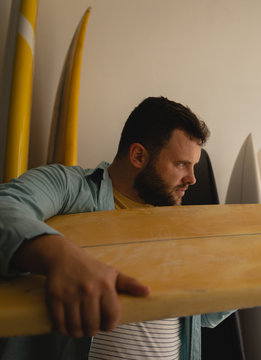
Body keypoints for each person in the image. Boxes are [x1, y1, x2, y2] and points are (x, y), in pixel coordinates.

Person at [0, 96, 234, 360]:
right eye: (182, 164)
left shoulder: (184, 224)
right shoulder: (69, 186)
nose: (192, 179)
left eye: (194, 166)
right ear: (138, 156)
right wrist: (61, 257)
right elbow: (5, 205)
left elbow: (201, 316)